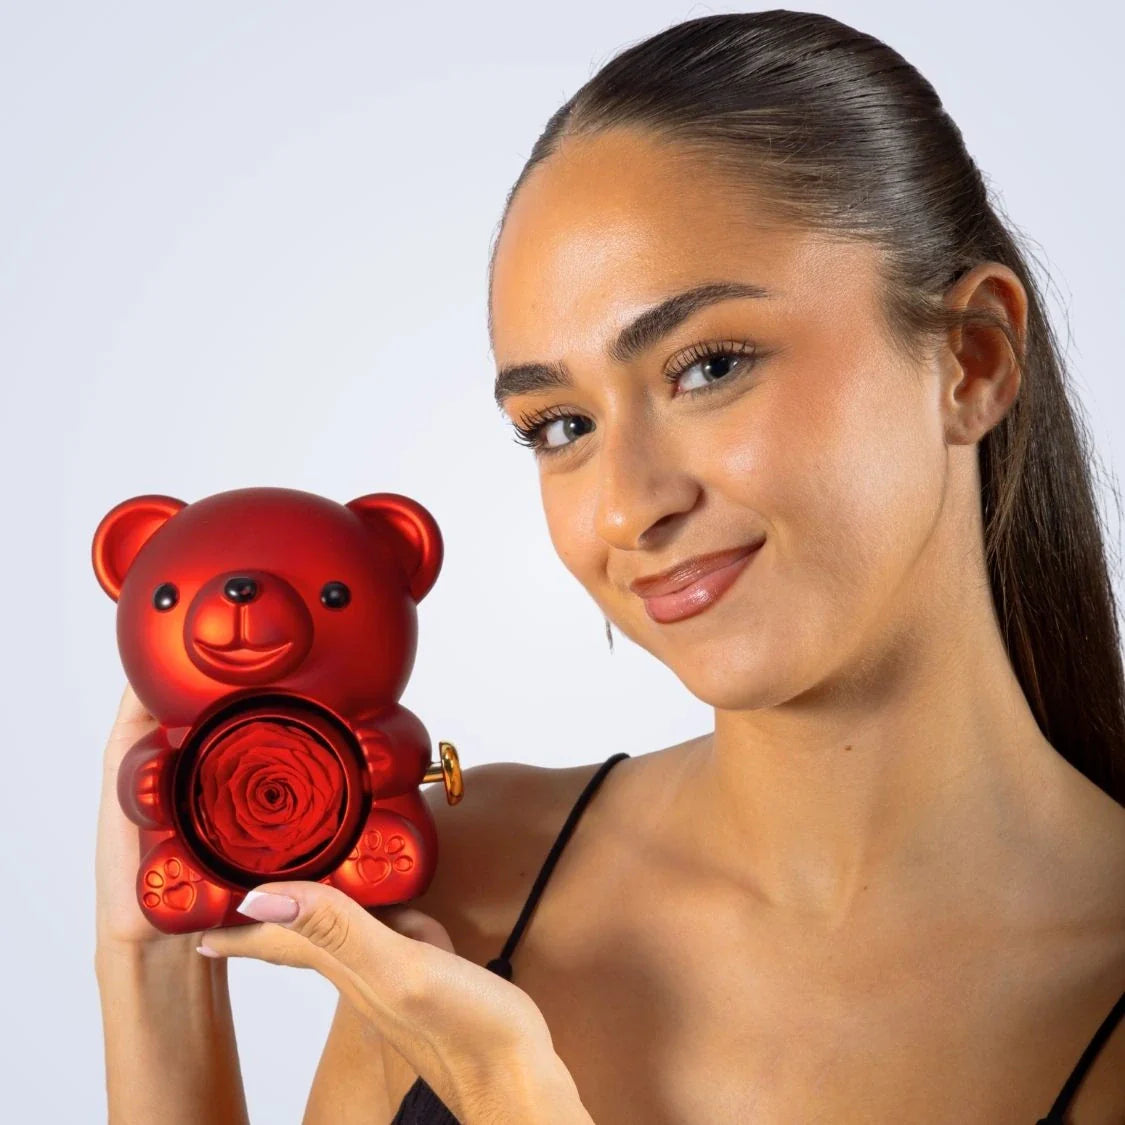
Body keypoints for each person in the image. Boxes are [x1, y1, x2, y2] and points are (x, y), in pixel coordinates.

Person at [94, 10, 1125, 1123]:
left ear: (971, 360)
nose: (628, 507)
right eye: (561, 426)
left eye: (708, 367)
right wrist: (150, 976)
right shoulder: (470, 888)